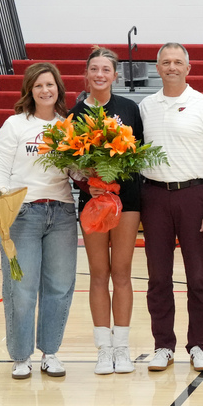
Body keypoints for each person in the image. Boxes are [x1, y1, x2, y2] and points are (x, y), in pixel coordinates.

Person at [139, 42, 203, 373]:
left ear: (188, 68)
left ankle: (198, 345)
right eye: (166, 62)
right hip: (154, 197)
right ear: (157, 68)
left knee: (198, 277)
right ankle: (163, 345)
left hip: (194, 196)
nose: (172, 67)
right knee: (158, 277)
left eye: (178, 62)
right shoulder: (145, 107)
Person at [0, 62, 78, 380]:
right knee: (21, 288)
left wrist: (95, 170)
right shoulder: (15, 125)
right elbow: (0, 170)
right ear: (29, 90)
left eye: (50, 84)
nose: (45, 90)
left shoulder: (67, 127)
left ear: (58, 89)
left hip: (62, 213)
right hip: (22, 213)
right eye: (39, 85)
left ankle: (50, 352)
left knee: (60, 286)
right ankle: (21, 356)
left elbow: (75, 171)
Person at [67, 46, 144, 375]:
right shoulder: (74, 115)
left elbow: (139, 156)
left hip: (128, 201)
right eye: (94, 69)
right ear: (86, 74)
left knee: (122, 272)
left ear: (115, 75)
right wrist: (88, 183)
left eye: (106, 69)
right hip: (93, 201)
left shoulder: (129, 108)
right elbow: (69, 164)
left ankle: (122, 348)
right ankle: (103, 349)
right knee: (98, 274)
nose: (100, 74)